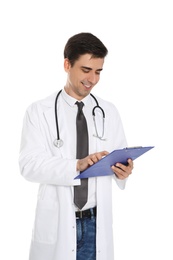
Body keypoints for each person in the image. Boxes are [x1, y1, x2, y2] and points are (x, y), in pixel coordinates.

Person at [19, 32, 133, 260]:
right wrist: (76, 165)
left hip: (95, 225)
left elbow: (120, 157)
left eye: (98, 72)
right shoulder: (38, 111)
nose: (92, 79)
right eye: (85, 70)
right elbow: (28, 165)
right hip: (58, 221)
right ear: (67, 64)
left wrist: (124, 171)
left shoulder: (108, 111)